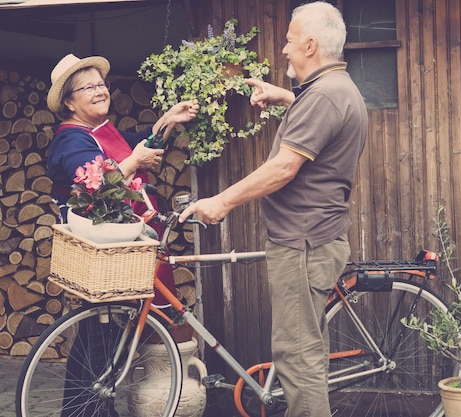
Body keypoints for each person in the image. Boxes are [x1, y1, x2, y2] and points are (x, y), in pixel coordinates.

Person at [180, 3, 368, 417]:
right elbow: (320, 117)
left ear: (311, 44)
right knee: (306, 354)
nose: (283, 49)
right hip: (314, 239)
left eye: (288, 39)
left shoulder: (324, 97)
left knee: (296, 357)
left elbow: (284, 167)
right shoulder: (333, 90)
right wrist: (286, 99)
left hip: (303, 244)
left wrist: (220, 201)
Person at [45, 53, 199, 417]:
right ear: (70, 101)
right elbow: (92, 183)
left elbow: (136, 142)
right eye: (89, 87)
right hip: (103, 250)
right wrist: (136, 162)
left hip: (120, 246)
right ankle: (88, 411)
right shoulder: (71, 140)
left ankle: (87, 410)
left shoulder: (100, 131)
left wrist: (167, 122)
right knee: (101, 333)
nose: (100, 91)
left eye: (101, 84)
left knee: (105, 332)